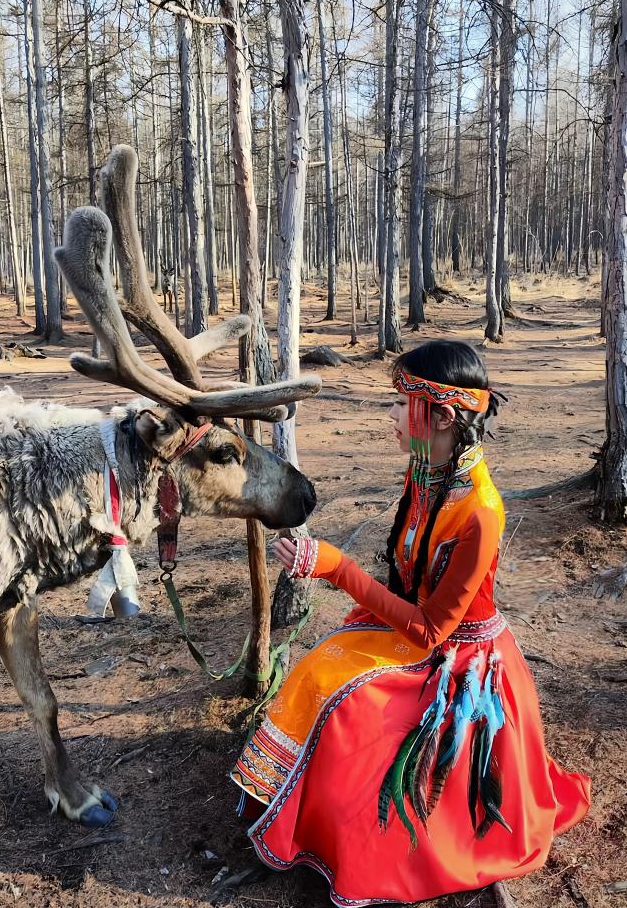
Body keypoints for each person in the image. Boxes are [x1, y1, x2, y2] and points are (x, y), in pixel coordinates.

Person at [231, 340, 590, 906]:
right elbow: (408, 587)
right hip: (417, 636)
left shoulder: (481, 511)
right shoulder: (426, 473)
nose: (393, 416)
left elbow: (431, 632)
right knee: (320, 667)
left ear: (442, 417)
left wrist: (336, 567)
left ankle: (337, 832)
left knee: (348, 702)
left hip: (465, 668)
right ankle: (297, 813)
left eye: (402, 403)